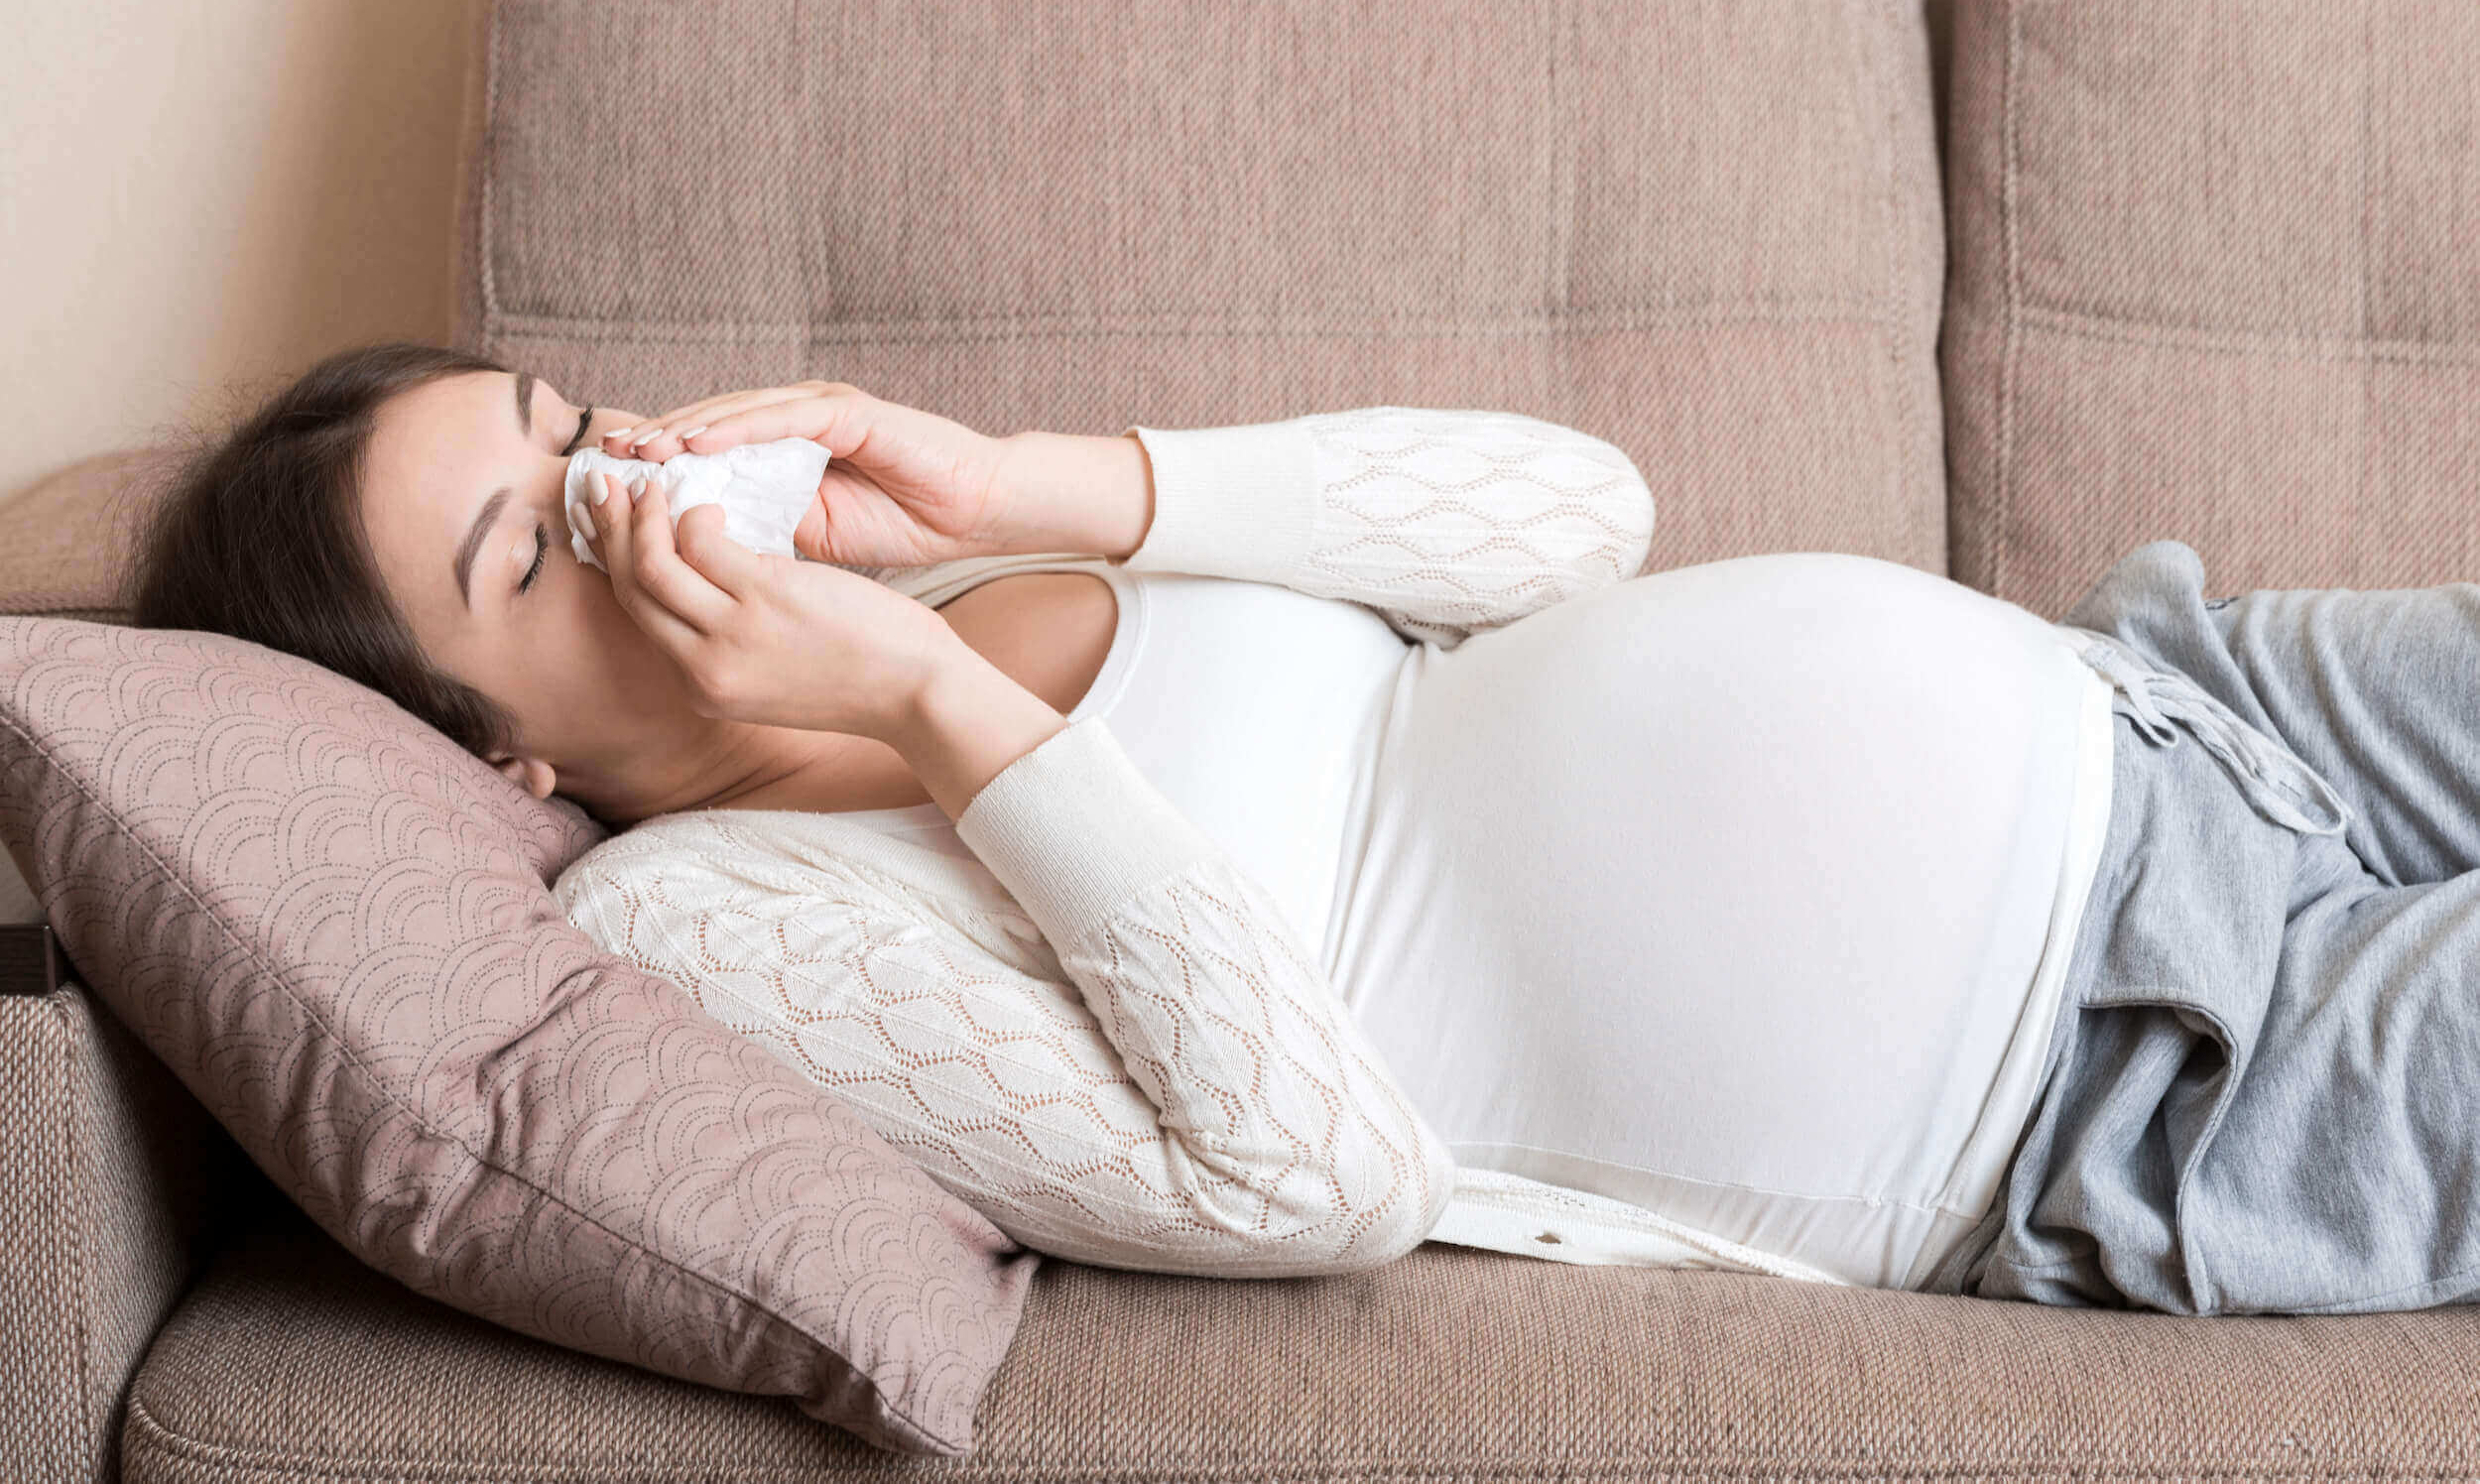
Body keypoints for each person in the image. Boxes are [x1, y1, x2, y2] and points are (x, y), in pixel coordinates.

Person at [126, 339, 2480, 1317]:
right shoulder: (703, 917)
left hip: (2175, 702)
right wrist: (935, 707)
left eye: (568, 424)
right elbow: (1315, 1178)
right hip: (2131, 1086)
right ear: (482, 755)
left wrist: (1029, 492)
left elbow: (1581, 514)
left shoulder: (937, 561)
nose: (614, 484)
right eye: (527, 549)